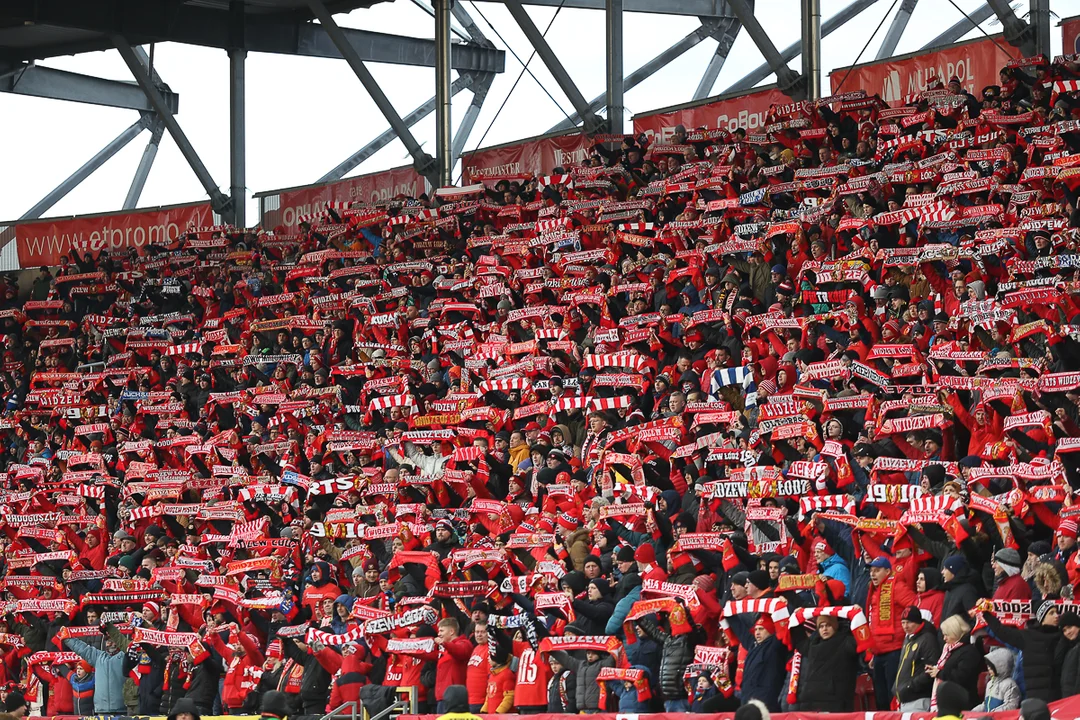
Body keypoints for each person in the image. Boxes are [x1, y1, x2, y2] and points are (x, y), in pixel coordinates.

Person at [895, 606, 940, 711]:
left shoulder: (928, 639)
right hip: (905, 699)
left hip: (919, 700)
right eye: (903, 623)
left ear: (918, 621)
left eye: (909, 622)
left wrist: (910, 686)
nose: (905, 626)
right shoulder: (908, 638)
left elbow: (931, 669)